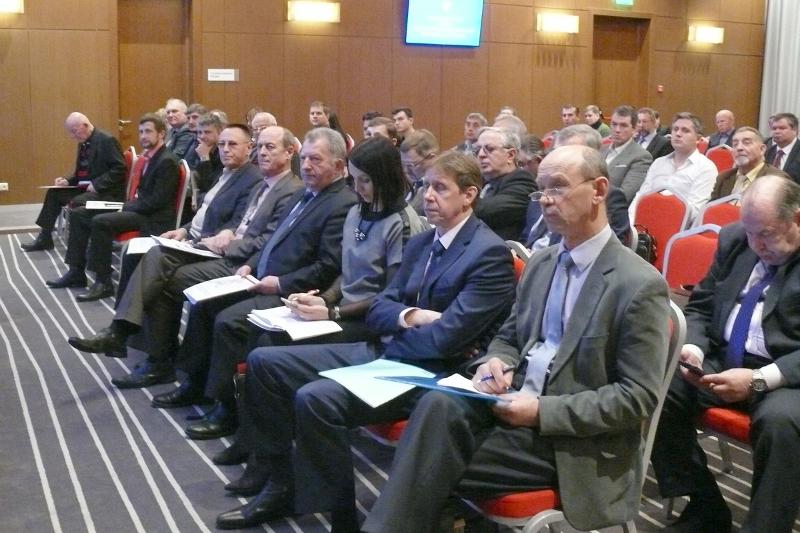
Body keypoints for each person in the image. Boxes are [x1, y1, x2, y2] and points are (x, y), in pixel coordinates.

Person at [363, 144, 671, 533]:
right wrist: (495, 362)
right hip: (511, 406)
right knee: (438, 405)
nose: (545, 199)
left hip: (572, 442)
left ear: (598, 190)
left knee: (425, 461)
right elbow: (508, 337)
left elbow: (637, 398)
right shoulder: (541, 263)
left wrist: (541, 411)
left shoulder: (638, 284)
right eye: (541, 189)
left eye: (558, 187)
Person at [214, 150, 516, 532]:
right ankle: (280, 482)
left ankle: (341, 518)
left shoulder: (488, 253)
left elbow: (446, 341)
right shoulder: (424, 242)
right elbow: (380, 308)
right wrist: (410, 316)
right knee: (265, 361)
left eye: (440, 188)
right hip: (391, 351)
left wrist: (395, 327)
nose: (427, 196)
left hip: (431, 373)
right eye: (425, 186)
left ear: (469, 195)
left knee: (316, 398)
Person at [216, 136, 429, 496]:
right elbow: (347, 271)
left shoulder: (402, 223)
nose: (358, 188)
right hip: (343, 310)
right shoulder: (359, 210)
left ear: (386, 177)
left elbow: (391, 297)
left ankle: (271, 468)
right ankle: (258, 447)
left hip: (370, 324)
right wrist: (323, 299)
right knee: (260, 333)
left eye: (365, 180)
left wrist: (333, 310)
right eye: (355, 179)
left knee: (274, 346)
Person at [169, 127, 358, 438]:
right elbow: (273, 241)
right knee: (204, 305)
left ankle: (228, 408)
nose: (306, 166)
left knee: (229, 322)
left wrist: (280, 283)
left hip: (295, 292)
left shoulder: (342, 203)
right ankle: (196, 384)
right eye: (305, 158)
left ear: (338, 166)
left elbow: (328, 267)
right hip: (260, 277)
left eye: (316, 160)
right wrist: (250, 264)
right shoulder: (303, 194)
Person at [651, 175, 800, 533]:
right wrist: (692, 349)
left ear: (796, 218)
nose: (755, 244)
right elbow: (701, 306)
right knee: (654, 388)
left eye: (765, 234)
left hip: (786, 376)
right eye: (750, 233)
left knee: (781, 423)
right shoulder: (736, 240)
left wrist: (759, 380)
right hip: (722, 359)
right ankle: (706, 506)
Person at [67, 125, 266, 379]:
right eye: (222, 144)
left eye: (233, 144)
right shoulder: (225, 173)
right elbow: (204, 213)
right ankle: (131, 340)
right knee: (136, 253)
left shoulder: (251, 179)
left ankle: (125, 336)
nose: (225, 150)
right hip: (192, 237)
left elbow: (237, 224)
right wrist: (183, 230)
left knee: (157, 261)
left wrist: (203, 237)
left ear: (249, 148)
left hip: (213, 247)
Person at [48, 114, 179, 301]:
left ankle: (104, 282)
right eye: (141, 132)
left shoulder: (167, 161)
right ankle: (76, 271)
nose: (143, 136)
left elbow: (156, 202)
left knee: (101, 222)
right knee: (79, 215)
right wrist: (126, 206)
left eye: (148, 131)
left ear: (162, 134)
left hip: (154, 218)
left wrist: (125, 207)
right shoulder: (150, 158)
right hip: (140, 209)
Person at [21, 112, 126, 252]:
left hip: (106, 191)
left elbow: (120, 168)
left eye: (74, 131)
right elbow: (80, 173)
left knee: (77, 202)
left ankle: (84, 244)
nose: (72, 136)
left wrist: (98, 184)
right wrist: (66, 180)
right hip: (86, 189)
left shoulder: (107, 140)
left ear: (85, 125)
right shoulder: (83, 143)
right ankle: (45, 238)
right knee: (54, 193)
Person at [632, 112, 718, 223]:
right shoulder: (658, 163)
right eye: (675, 129)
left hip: (678, 227)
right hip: (643, 223)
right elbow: (641, 196)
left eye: (685, 130)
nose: (678, 134)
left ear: (698, 139)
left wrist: (660, 215)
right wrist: (631, 223)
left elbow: (694, 211)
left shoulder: (706, 168)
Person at [473, 127, 536, 240]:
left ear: (510, 155)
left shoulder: (523, 181)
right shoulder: (482, 181)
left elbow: (487, 210)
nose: (481, 155)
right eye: (477, 150)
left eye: (489, 149)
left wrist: (455, 203)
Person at [711, 126, 787, 200]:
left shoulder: (777, 179)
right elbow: (711, 206)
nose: (739, 148)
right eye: (735, 144)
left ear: (762, 149)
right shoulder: (723, 178)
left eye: (746, 143)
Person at [601, 105, 653, 202]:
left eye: (623, 125)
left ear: (634, 129)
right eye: (614, 124)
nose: (617, 130)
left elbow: (624, 195)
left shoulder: (641, 157)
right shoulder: (601, 149)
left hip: (610, 207)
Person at [399, 129, 438, 216]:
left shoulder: (438, 190)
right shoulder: (410, 183)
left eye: (412, 165)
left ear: (432, 158)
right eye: (404, 164)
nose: (407, 170)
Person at [764, 112, 800, 183]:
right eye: (774, 128)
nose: (777, 132)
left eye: (782, 128)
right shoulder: (768, 152)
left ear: (795, 130)